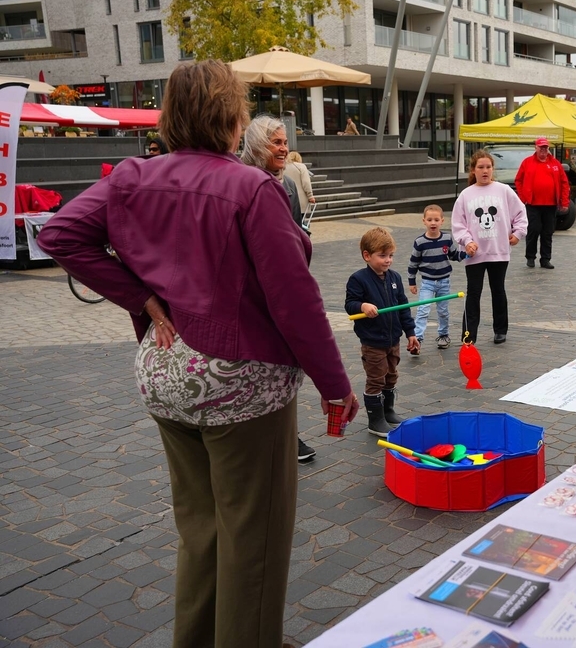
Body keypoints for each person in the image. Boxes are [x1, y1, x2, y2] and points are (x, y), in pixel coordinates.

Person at [36, 59, 358, 648]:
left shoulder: (132, 176)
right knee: (253, 537)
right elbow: (295, 301)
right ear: (234, 120)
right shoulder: (252, 189)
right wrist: (334, 385)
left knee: (202, 527)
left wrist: (139, 296)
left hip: (163, 373)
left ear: (172, 116)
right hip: (239, 381)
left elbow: (58, 232)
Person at [346, 227, 420, 437]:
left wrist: (411, 332)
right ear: (367, 256)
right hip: (373, 341)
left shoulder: (394, 277)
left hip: (393, 339)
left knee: (391, 376)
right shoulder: (358, 279)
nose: (388, 260)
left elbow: (403, 307)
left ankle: (388, 411)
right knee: (376, 378)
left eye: (391, 256)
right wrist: (362, 306)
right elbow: (350, 304)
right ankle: (375, 420)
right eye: (382, 256)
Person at [452, 150, 528, 344]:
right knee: (473, 293)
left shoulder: (503, 190)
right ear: (473, 170)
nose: (485, 171)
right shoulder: (465, 195)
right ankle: (469, 334)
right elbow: (458, 224)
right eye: (480, 167)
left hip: (498, 251)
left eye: (488, 167)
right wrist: (467, 241)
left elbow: (520, 212)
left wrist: (518, 233)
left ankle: (500, 330)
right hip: (475, 254)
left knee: (498, 290)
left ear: (492, 169)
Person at [408, 204, 461, 351]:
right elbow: (413, 263)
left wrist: (467, 254)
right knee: (423, 309)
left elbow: (453, 255)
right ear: (424, 221)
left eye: (436, 219)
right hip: (427, 282)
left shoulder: (446, 238)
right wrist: (412, 282)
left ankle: (443, 335)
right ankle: (417, 339)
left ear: (442, 221)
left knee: (443, 311)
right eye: (429, 219)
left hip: (444, 282)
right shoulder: (420, 242)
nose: (433, 223)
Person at [241, 115, 304, 230]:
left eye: (285, 143)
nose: (284, 149)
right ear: (257, 146)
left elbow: (296, 233)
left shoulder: (289, 185)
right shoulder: (240, 184)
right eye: (277, 142)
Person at [515, 137, 569, 269]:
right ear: (536, 148)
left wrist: (564, 202)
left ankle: (545, 259)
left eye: (545, 148)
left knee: (548, 232)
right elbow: (518, 180)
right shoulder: (527, 162)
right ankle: (530, 257)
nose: (543, 150)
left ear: (548, 149)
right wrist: (523, 198)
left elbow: (564, 183)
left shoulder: (556, 164)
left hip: (550, 204)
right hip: (533, 204)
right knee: (533, 230)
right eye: (541, 148)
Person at [285, 150, 316, 215]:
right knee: (301, 221)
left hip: (287, 198)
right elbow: (306, 182)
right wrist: (310, 196)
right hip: (300, 199)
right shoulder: (301, 166)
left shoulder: (283, 167)